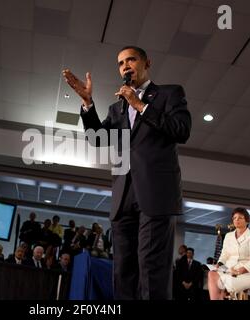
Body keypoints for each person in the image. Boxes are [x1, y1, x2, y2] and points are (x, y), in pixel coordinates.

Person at [63, 46, 191, 300]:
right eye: (121, 63)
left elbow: (181, 130)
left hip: (156, 195)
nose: (125, 66)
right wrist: (88, 104)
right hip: (123, 197)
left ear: (146, 63)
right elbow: (97, 139)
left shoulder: (169, 93)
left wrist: (141, 106)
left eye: (131, 59)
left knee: (151, 267)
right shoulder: (116, 108)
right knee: (123, 270)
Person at [208, 207, 250, 300]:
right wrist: (219, 264)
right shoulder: (228, 236)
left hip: (247, 274)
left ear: (247, 221)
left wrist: (239, 271)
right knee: (212, 274)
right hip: (229, 270)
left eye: (240, 218)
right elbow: (224, 254)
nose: (237, 220)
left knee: (227, 282)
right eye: (234, 218)